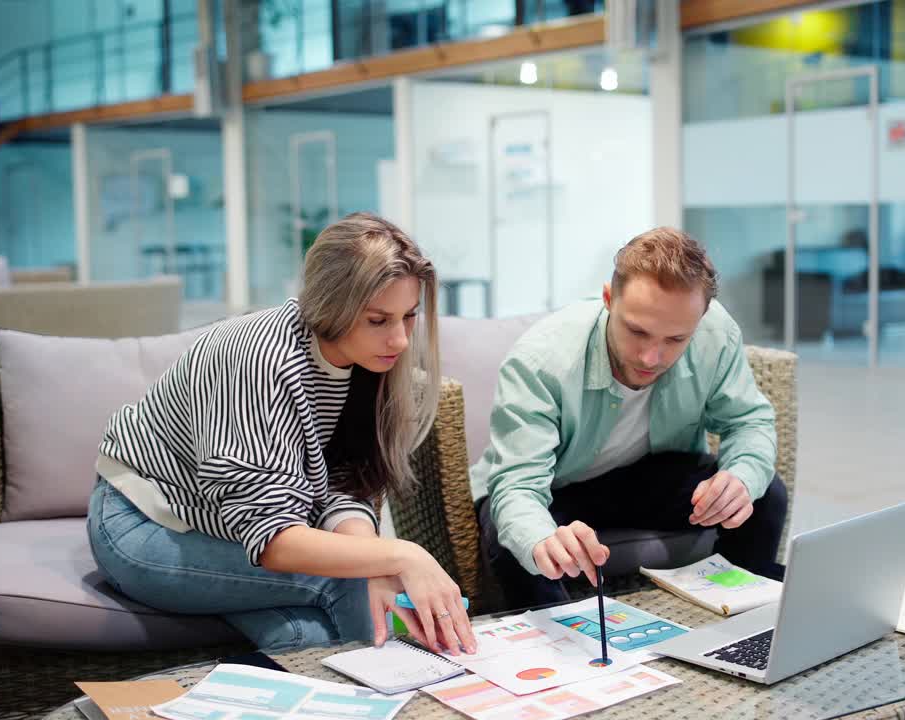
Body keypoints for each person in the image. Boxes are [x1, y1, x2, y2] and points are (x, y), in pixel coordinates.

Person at [87, 212, 477, 656]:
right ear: (332, 305)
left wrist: (373, 557)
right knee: (347, 584)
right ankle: (423, 688)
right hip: (145, 525)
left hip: (227, 527)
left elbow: (343, 480)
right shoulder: (259, 359)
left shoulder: (368, 360)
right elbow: (272, 539)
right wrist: (401, 556)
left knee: (307, 639)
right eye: (377, 320)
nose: (400, 340)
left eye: (408, 317)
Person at [473, 227, 788, 606]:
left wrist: (740, 479)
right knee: (520, 540)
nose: (651, 358)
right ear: (608, 299)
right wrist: (542, 538)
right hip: (553, 487)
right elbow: (519, 488)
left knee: (763, 491)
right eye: (637, 331)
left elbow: (748, 422)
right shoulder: (540, 361)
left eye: (675, 340)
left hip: (645, 475)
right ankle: (562, 647)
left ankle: (740, 617)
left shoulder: (715, 334)